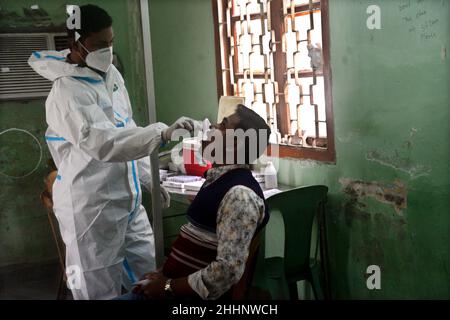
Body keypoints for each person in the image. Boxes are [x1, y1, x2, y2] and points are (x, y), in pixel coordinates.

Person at [28, 4, 198, 300]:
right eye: (98, 45)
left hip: (127, 202)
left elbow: (125, 127)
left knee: (149, 282)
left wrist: (148, 178)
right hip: (92, 209)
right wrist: (162, 133)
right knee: (99, 291)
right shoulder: (66, 92)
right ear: (75, 45)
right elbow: (103, 143)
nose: (107, 51)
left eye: (110, 42)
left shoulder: (111, 76)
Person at [115, 104, 271, 300]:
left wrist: (167, 287)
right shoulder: (218, 180)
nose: (213, 126)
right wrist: (163, 273)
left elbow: (226, 272)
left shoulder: (239, 195)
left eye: (223, 125)